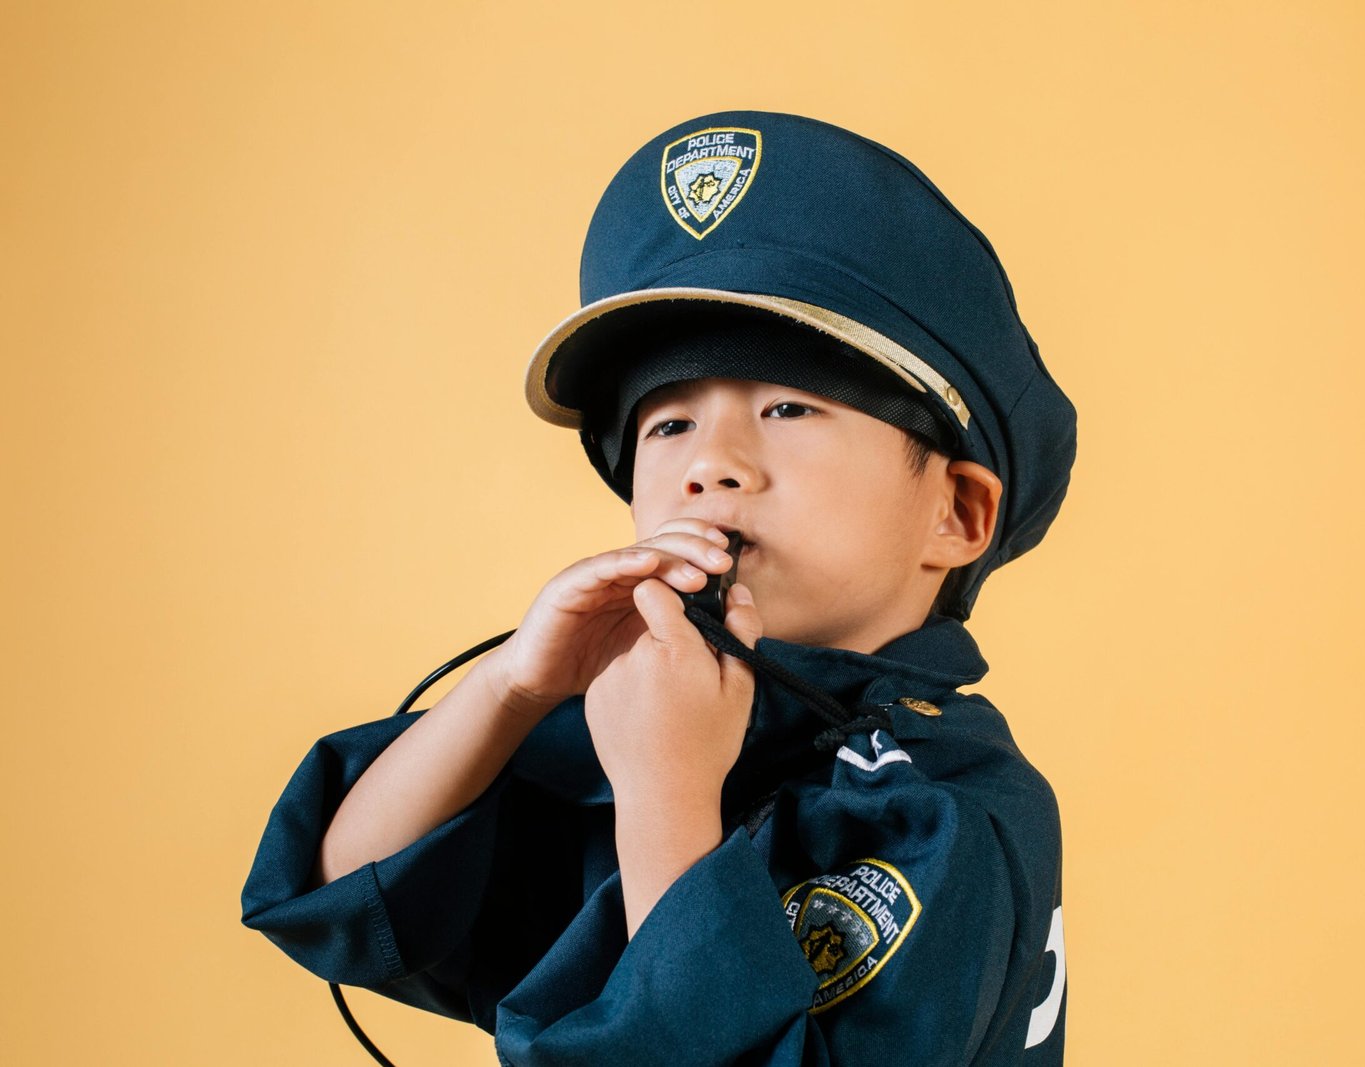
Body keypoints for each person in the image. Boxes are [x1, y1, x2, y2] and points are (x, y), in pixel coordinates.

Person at [241, 108, 1077, 1065]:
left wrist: (669, 792)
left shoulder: (943, 814)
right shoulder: (657, 721)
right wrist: (514, 688)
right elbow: (348, 891)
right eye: (668, 424)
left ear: (956, 516)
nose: (711, 464)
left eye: (788, 406)